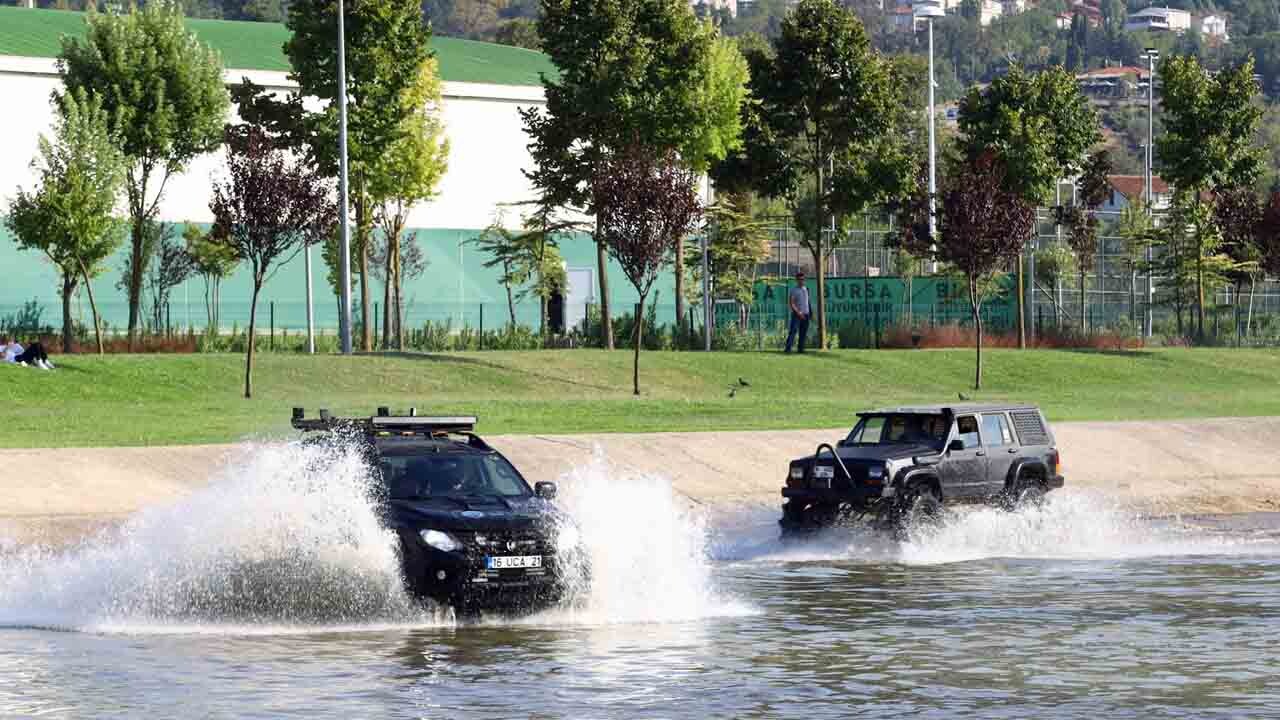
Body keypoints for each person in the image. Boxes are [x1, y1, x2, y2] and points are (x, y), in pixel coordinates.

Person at [784, 270, 811, 354]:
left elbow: (808, 301)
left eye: (802, 279)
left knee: (803, 333)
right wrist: (798, 313)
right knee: (793, 331)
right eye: (799, 279)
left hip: (806, 314)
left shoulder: (806, 289)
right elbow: (791, 303)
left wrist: (810, 312)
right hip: (797, 315)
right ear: (797, 280)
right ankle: (788, 348)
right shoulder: (794, 290)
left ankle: (800, 349)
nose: (801, 281)